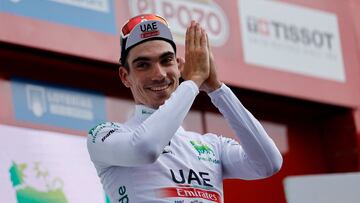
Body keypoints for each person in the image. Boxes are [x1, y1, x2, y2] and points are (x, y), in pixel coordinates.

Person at [87, 14, 282, 203]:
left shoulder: (211, 146)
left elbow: (268, 163)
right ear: (124, 76)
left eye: (166, 60)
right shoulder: (105, 135)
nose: (160, 74)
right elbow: (145, 149)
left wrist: (217, 89)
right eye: (143, 65)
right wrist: (194, 81)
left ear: (179, 66)